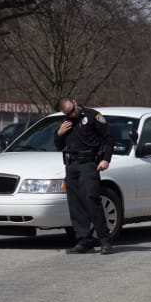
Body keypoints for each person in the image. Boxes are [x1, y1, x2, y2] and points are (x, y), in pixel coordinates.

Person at [54, 97, 114, 255]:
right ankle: (83, 241)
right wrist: (59, 134)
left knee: (91, 199)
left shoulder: (93, 116)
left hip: (88, 164)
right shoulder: (65, 122)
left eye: (72, 109)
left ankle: (104, 240)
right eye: (68, 113)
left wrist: (106, 159)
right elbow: (59, 145)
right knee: (75, 204)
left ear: (75, 102)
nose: (72, 114)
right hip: (71, 166)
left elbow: (108, 138)